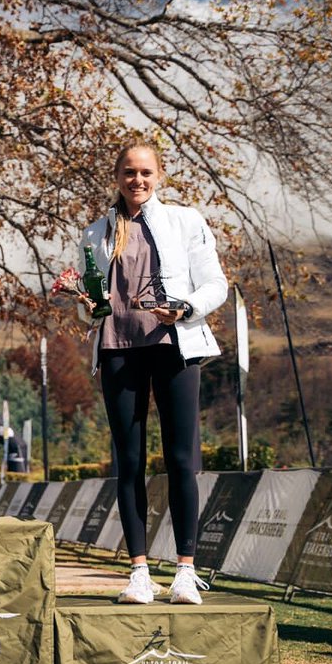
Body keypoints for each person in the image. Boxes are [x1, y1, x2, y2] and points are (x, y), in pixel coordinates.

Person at [78, 141, 227, 604]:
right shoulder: (95, 233)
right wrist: (87, 307)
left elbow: (216, 284)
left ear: (159, 175)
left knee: (181, 459)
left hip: (173, 347)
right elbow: (92, 303)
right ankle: (139, 573)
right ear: (117, 176)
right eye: (129, 172)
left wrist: (185, 308)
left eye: (145, 172)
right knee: (129, 463)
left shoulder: (186, 221)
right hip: (118, 350)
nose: (137, 180)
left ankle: (185, 571)